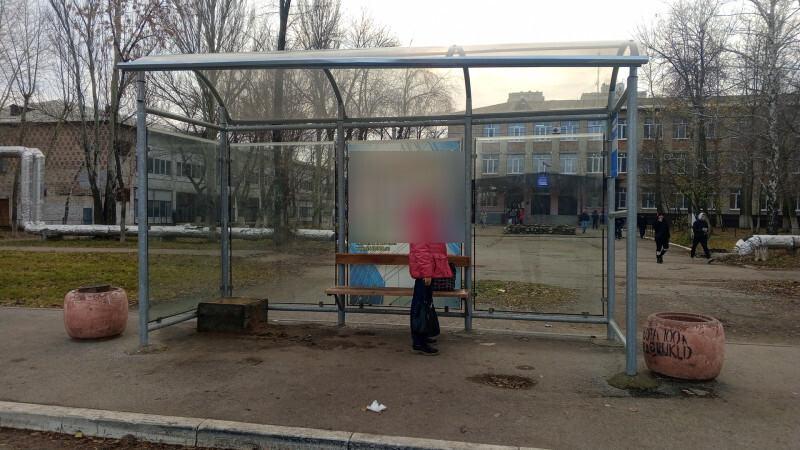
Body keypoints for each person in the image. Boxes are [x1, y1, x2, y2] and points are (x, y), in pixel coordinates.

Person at [408, 242, 452, 355]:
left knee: (425, 304)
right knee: (420, 306)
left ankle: (422, 335)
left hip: (429, 269)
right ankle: (418, 343)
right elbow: (419, 249)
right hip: (425, 272)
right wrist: (426, 273)